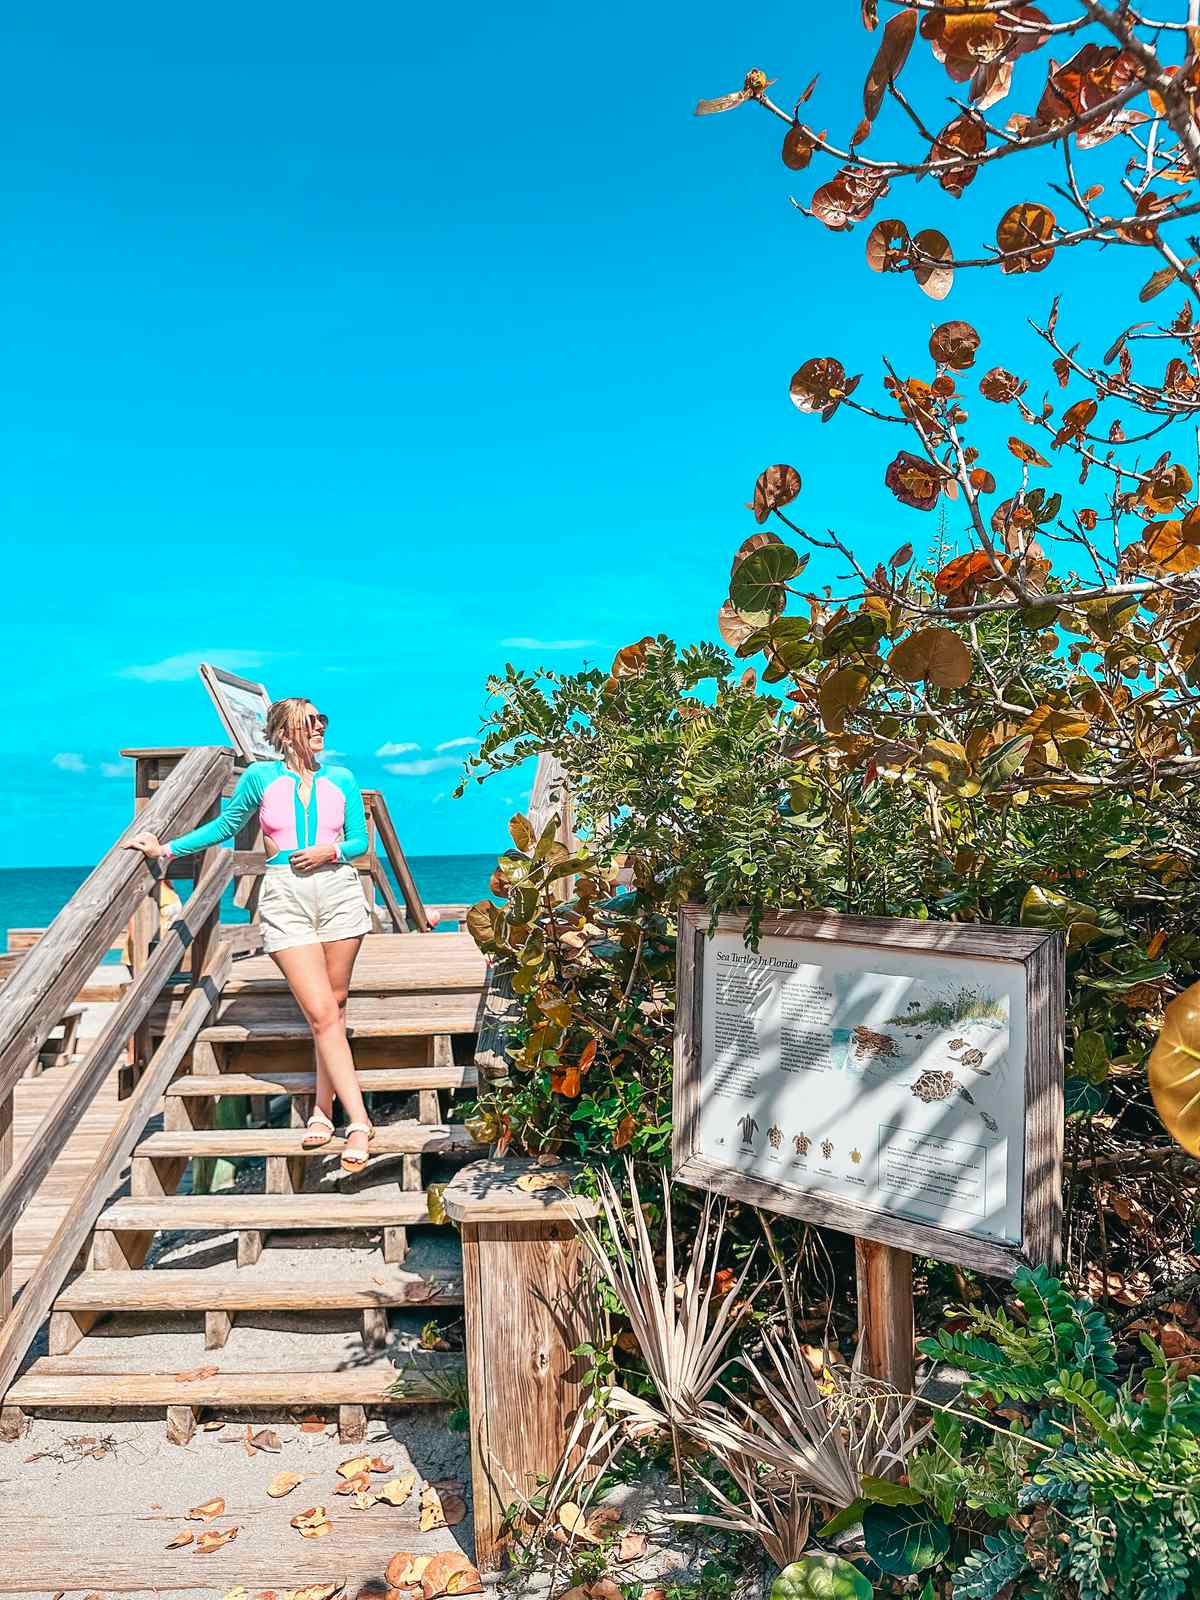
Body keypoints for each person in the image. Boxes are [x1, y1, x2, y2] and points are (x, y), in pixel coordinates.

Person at [127, 697, 376, 1171]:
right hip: (285, 895)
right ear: (285, 732)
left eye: (323, 718)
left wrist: (329, 852)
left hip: (338, 891)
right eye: (310, 721)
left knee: (335, 1007)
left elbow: (360, 842)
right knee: (322, 1013)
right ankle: (360, 1123)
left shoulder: (342, 778)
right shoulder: (260, 779)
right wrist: (165, 848)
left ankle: (322, 1113)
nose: (321, 726)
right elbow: (226, 825)